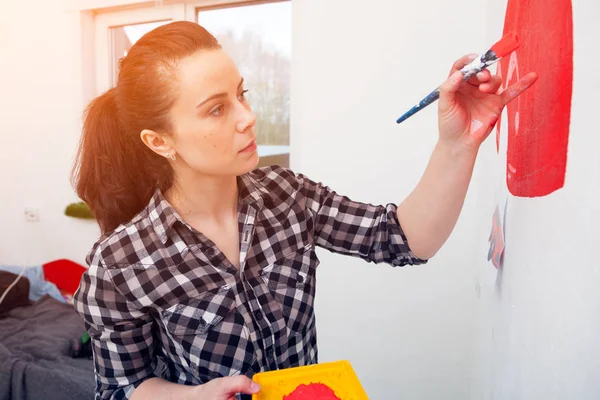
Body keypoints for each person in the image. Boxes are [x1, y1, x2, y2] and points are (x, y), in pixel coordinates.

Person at [71, 21, 537, 400]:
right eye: (216, 109)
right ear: (159, 141)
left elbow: (403, 238)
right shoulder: (117, 265)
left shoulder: (287, 196)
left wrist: (456, 145)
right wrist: (194, 397)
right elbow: (122, 388)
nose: (247, 116)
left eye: (241, 94)